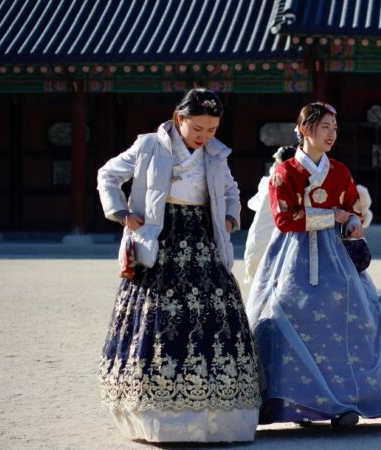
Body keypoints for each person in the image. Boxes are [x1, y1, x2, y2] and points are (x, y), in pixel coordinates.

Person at [96, 89, 261, 443]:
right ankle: (159, 418)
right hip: (160, 237)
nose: (204, 136)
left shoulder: (216, 155)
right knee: (157, 317)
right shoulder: (148, 147)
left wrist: (230, 218)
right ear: (179, 119)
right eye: (198, 127)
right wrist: (123, 213)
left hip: (202, 238)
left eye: (213, 129)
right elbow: (107, 175)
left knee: (214, 318)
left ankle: (216, 418)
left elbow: (232, 191)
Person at [246, 102, 381, 428]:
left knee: (352, 320)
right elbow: (285, 219)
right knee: (288, 317)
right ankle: (299, 403)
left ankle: (344, 402)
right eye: (325, 126)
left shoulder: (339, 171)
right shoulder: (284, 172)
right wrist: (333, 216)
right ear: (304, 130)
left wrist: (353, 221)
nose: (331, 133)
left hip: (335, 256)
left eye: (334, 128)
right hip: (291, 257)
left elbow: (352, 205)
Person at [242, 145, 374, 284]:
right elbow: (273, 221)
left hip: (325, 240)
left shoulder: (335, 172)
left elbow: (355, 209)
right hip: (291, 240)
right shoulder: (280, 179)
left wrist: (352, 221)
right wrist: (330, 216)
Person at [243, 145, 296, 284]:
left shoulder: (274, 180)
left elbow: (254, 203)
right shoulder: (271, 180)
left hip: (280, 230)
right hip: (270, 230)